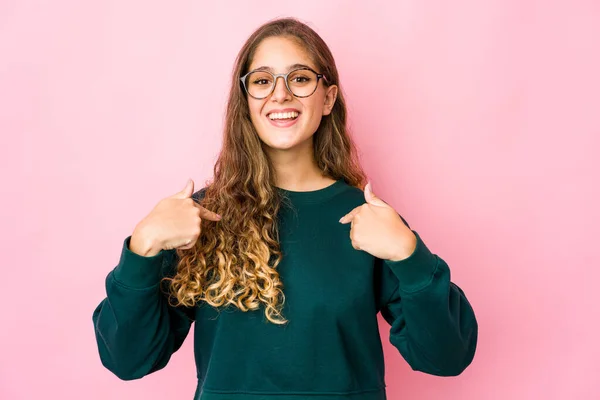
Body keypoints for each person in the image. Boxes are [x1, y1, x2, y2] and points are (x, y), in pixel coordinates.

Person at [92, 17, 478, 400]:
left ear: (327, 98)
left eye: (300, 78)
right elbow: (129, 359)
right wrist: (142, 248)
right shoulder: (200, 219)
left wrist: (410, 255)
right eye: (262, 81)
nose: (280, 94)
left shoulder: (369, 221)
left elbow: (446, 356)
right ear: (245, 100)